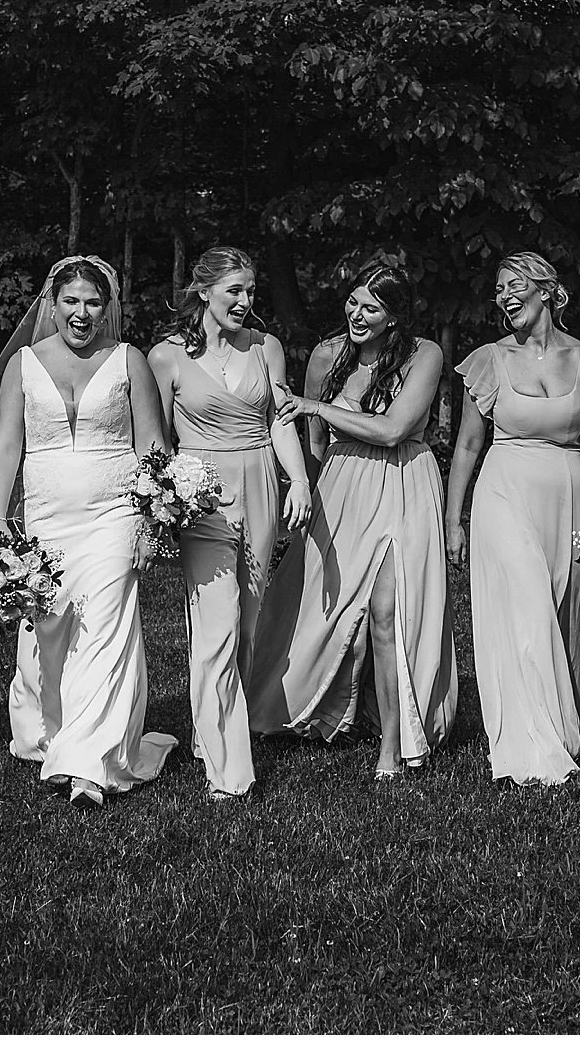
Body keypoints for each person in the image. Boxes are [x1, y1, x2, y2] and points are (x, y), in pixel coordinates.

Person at [0, 255, 178, 807]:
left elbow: (153, 447)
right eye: (71, 302)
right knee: (51, 626)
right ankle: (53, 734)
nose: (82, 313)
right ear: (52, 305)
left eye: (93, 302)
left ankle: (91, 763)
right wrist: (0, 524)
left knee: (106, 624)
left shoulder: (128, 360)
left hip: (114, 513)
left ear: (107, 308)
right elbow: (5, 447)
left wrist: (150, 520)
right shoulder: (23, 363)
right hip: (44, 517)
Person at [247, 261, 456, 781]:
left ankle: (392, 743)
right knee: (332, 611)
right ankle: (325, 709)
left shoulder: (422, 355)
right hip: (342, 487)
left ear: (394, 314)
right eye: (354, 302)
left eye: (372, 307)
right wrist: (318, 489)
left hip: (404, 481)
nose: (358, 315)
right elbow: (316, 447)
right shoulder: (326, 355)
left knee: (389, 613)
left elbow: (393, 429)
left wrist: (315, 406)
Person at [445, 251, 580, 787]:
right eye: (498, 289)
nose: (504, 296)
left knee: (553, 607)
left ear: (547, 290)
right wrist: (453, 519)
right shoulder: (487, 360)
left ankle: (566, 714)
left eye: (514, 285)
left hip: (569, 497)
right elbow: (466, 447)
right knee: (524, 602)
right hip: (504, 490)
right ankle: (530, 739)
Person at [148, 247, 312, 800]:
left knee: (248, 623)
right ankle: (229, 771)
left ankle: (208, 732)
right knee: (215, 625)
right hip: (203, 495)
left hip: (262, 483)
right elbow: (157, 443)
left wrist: (300, 480)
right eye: (233, 291)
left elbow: (281, 421)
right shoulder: (165, 358)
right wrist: (161, 501)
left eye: (250, 291)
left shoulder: (266, 348)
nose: (245, 302)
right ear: (203, 292)